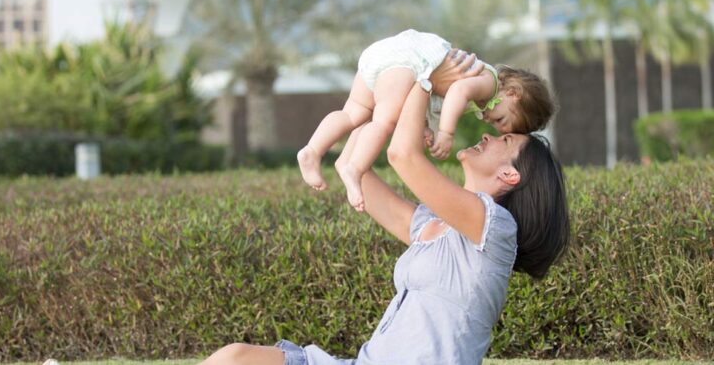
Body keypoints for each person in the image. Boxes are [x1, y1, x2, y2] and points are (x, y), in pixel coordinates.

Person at [197, 52, 570, 365]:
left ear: (510, 175)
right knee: (234, 358)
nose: (488, 134)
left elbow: (402, 156)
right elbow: (354, 168)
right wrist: (389, 88)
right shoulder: (432, 226)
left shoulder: (496, 229)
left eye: (505, 140)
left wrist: (425, 73)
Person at [297, 29, 554, 212]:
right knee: (384, 122)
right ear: (513, 94)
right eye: (501, 120)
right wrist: (445, 133)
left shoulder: (483, 92)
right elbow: (456, 91)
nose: (492, 124)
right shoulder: (489, 84)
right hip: (408, 62)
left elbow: (428, 93)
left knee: (353, 113)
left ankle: (312, 150)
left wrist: (424, 126)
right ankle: (354, 168)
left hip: (387, 56)